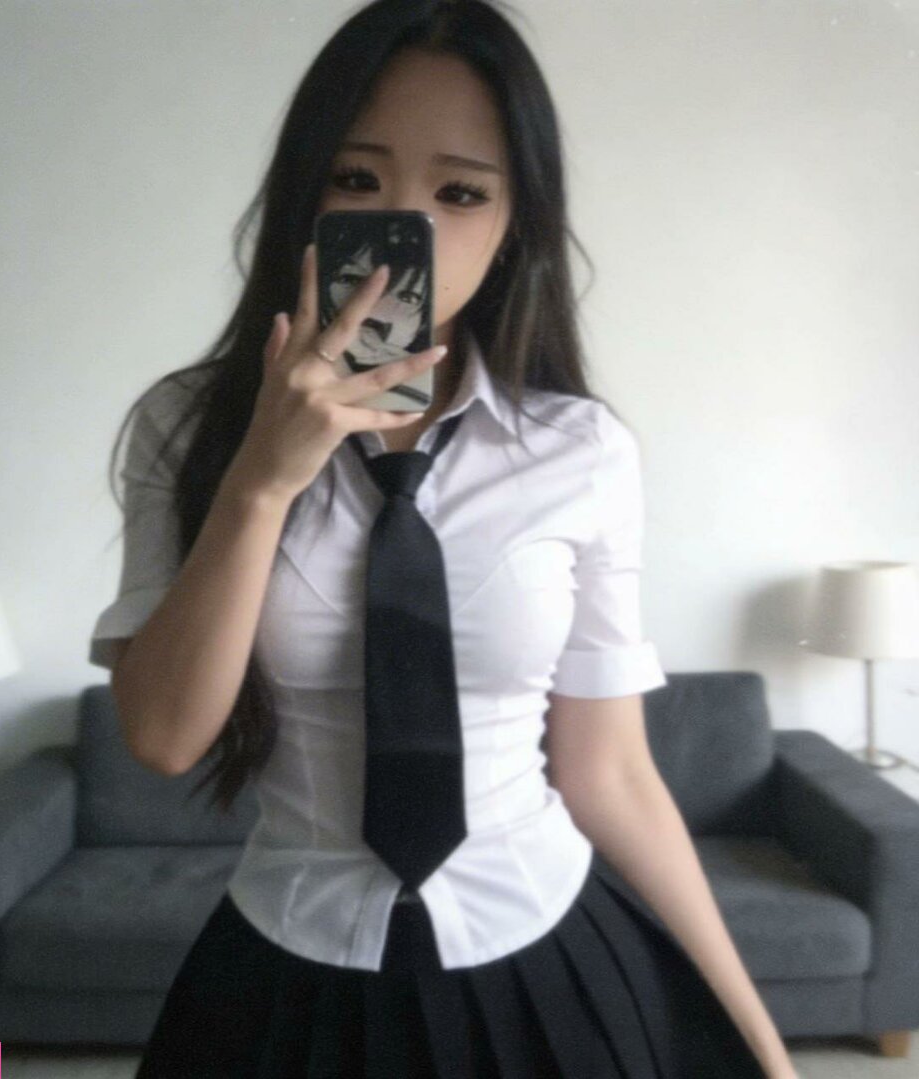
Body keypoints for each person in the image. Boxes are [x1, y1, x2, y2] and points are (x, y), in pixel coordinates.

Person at [88, 1, 797, 1075]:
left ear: (515, 226)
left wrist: (762, 1045)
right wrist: (262, 481)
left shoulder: (580, 450)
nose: (403, 228)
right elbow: (165, 735)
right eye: (356, 179)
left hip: (548, 941)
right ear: (303, 194)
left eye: (460, 193)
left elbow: (610, 772)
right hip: (289, 952)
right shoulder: (187, 430)